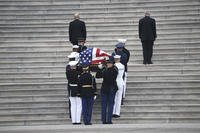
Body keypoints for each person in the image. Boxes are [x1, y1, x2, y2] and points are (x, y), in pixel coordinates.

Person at [100, 57, 118, 124]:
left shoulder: (107, 70)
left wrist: (102, 68)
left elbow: (101, 75)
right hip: (109, 88)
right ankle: (105, 120)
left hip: (109, 88)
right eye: (108, 63)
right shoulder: (114, 70)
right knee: (106, 105)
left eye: (109, 63)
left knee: (109, 105)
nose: (108, 64)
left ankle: (107, 120)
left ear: (112, 63)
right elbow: (98, 75)